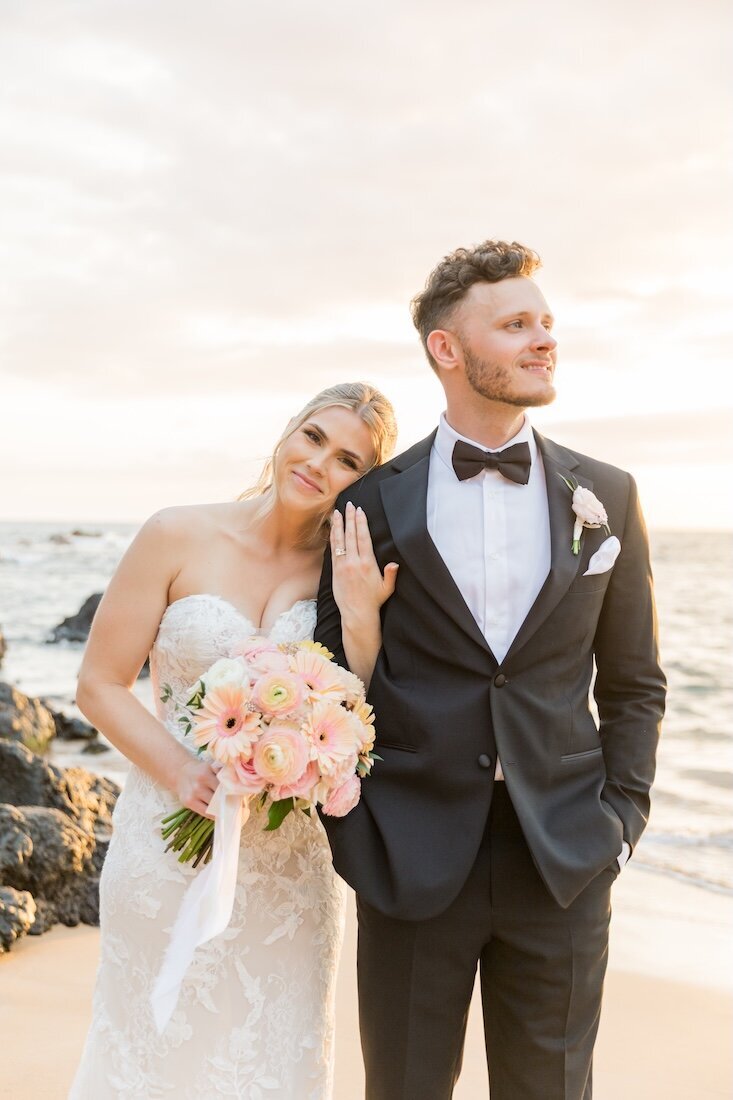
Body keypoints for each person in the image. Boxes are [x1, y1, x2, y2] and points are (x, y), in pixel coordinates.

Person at [316, 241, 666, 1100]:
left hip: (564, 855)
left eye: (545, 323)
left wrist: (619, 821)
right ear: (447, 348)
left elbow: (634, 683)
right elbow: (327, 682)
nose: (543, 339)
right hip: (409, 855)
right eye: (514, 325)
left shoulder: (608, 495)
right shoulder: (369, 502)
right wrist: (357, 832)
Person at [68, 382, 398, 1100]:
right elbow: (98, 683)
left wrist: (364, 617)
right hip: (164, 845)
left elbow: (366, 714)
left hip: (288, 868)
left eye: (347, 460)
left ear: (363, 483)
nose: (318, 463)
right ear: (286, 432)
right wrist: (185, 773)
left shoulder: (343, 575)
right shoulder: (175, 534)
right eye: (312, 436)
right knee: (149, 1051)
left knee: (269, 1061)